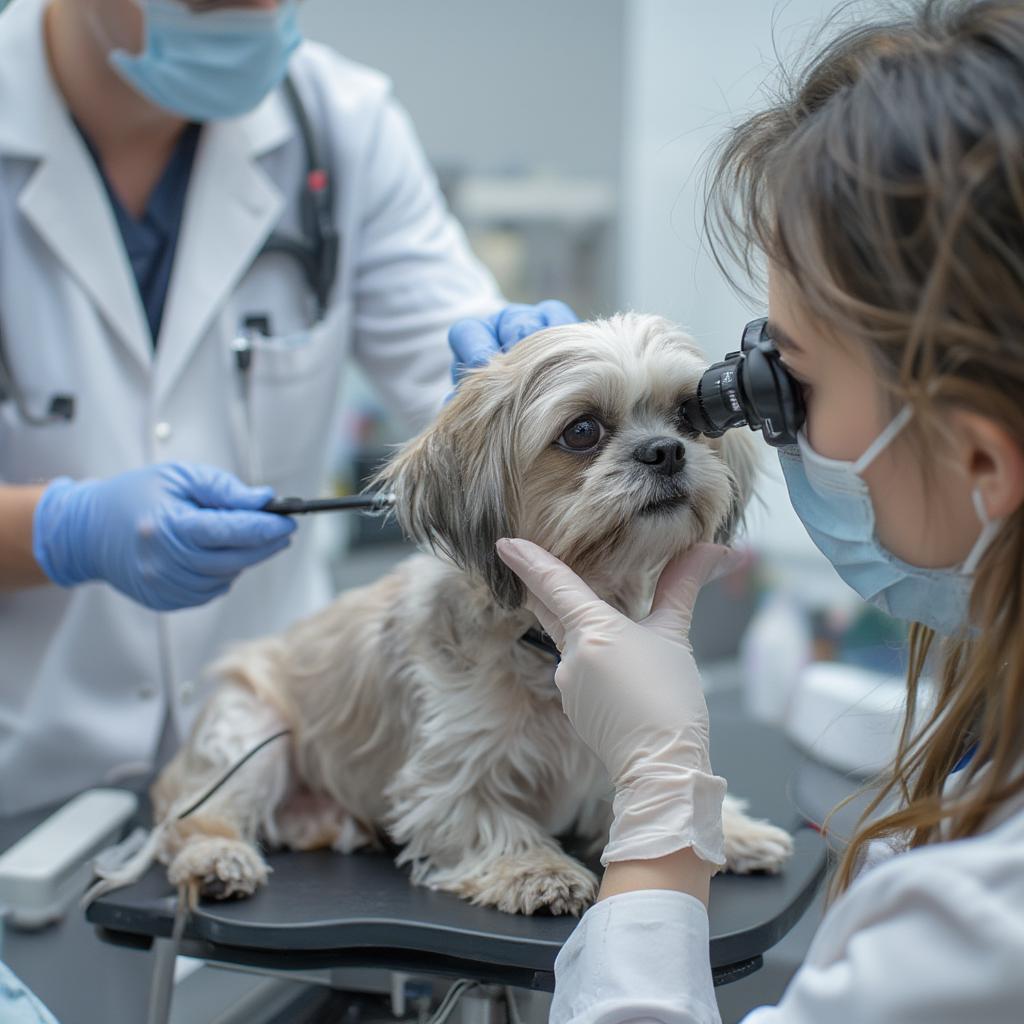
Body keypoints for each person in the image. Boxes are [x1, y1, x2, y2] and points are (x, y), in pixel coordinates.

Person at [461, 1, 1024, 1020]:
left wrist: (660, 807)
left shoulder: (989, 926)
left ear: (982, 452)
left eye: (789, 380)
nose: (763, 426)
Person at [0, 0, 575, 815]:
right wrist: (59, 533)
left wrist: (527, 385)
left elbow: (454, 370)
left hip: (289, 771)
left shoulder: (342, 125)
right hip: (21, 779)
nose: (250, 16)